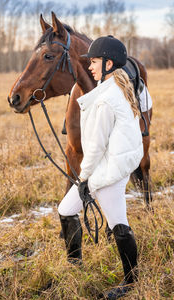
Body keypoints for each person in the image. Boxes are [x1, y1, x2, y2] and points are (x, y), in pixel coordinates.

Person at [58, 35, 144, 299]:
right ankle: (75, 266)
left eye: (94, 61)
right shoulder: (116, 88)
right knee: (66, 209)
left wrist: (83, 180)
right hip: (111, 166)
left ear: (109, 64)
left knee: (118, 223)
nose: (90, 66)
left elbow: (93, 147)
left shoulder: (106, 98)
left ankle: (131, 283)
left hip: (108, 172)